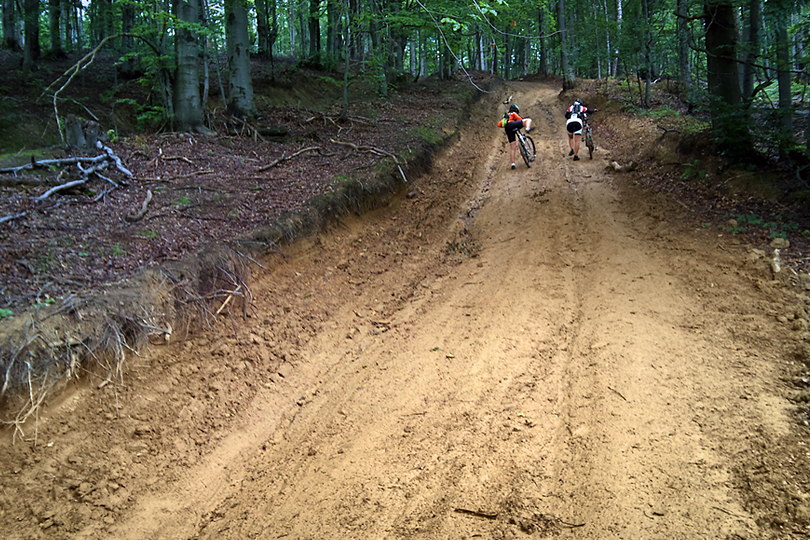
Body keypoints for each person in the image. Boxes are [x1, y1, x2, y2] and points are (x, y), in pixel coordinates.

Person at [499, 104, 533, 169]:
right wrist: (523, 121)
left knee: (512, 147)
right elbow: (520, 119)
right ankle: (527, 129)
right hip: (512, 124)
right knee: (528, 120)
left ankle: (513, 164)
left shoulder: (505, 116)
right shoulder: (513, 113)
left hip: (507, 128)